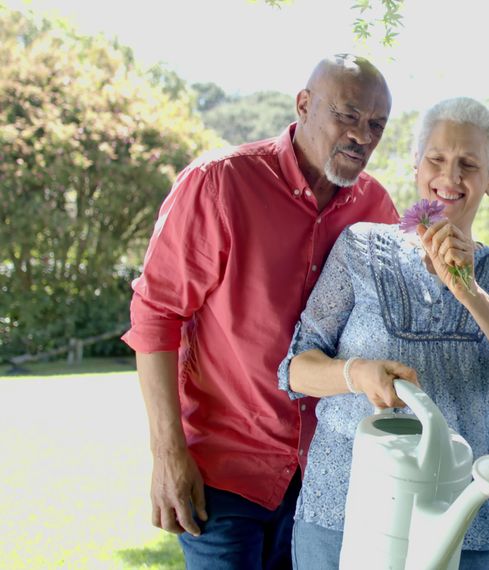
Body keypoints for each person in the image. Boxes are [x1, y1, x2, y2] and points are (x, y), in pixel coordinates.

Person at [121, 54, 398, 568]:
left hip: (325, 478)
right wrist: (167, 454)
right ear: (304, 104)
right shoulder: (218, 182)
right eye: (348, 114)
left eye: (376, 124)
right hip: (224, 472)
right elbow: (156, 316)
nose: (363, 135)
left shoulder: (377, 209)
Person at [278, 96, 489, 569]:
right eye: (437, 159)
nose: (450, 177)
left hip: (463, 523)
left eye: (469, 164)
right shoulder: (360, 248)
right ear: (414, 165)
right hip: (342, 511)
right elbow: (297, 370)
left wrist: (469, 290)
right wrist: (357, 374)